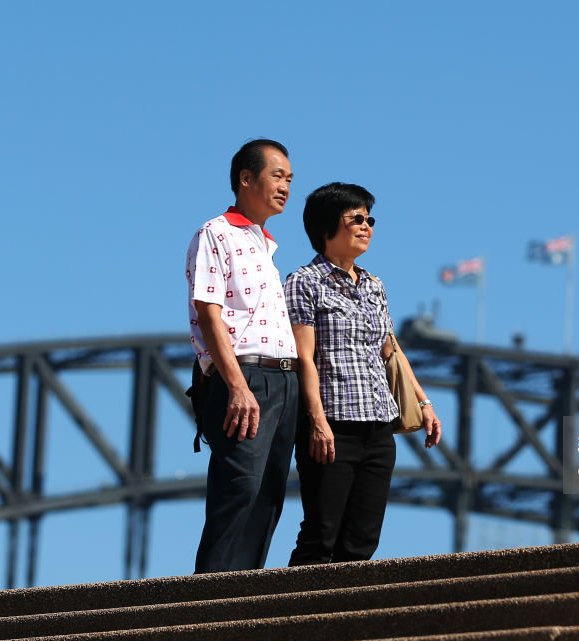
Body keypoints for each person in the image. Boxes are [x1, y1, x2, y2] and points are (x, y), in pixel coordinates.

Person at [284, 182, 442, 565]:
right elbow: (304, 357)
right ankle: (291, 619)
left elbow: (390, 350)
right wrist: (317, 422)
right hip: (332, 426)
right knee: (321, 534)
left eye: (369, 219)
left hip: (378, 427)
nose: (366, 226)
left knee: (362, 541)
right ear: (326, 229)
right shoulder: (304, 283)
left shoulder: (374, 285)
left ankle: (341, 621)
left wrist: (424, 402)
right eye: (355, 218)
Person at [186, 139, 300, 572]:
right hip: (247, 377)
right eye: (277, 176)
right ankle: (207, 606)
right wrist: (235, 385)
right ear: (245, 179)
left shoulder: (266, 245)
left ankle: (244, 600)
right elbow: (209, 313)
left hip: (283, 380)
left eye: (290, 179)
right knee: (239, 489)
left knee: (268, 496)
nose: (285, 186)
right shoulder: (216, 233)